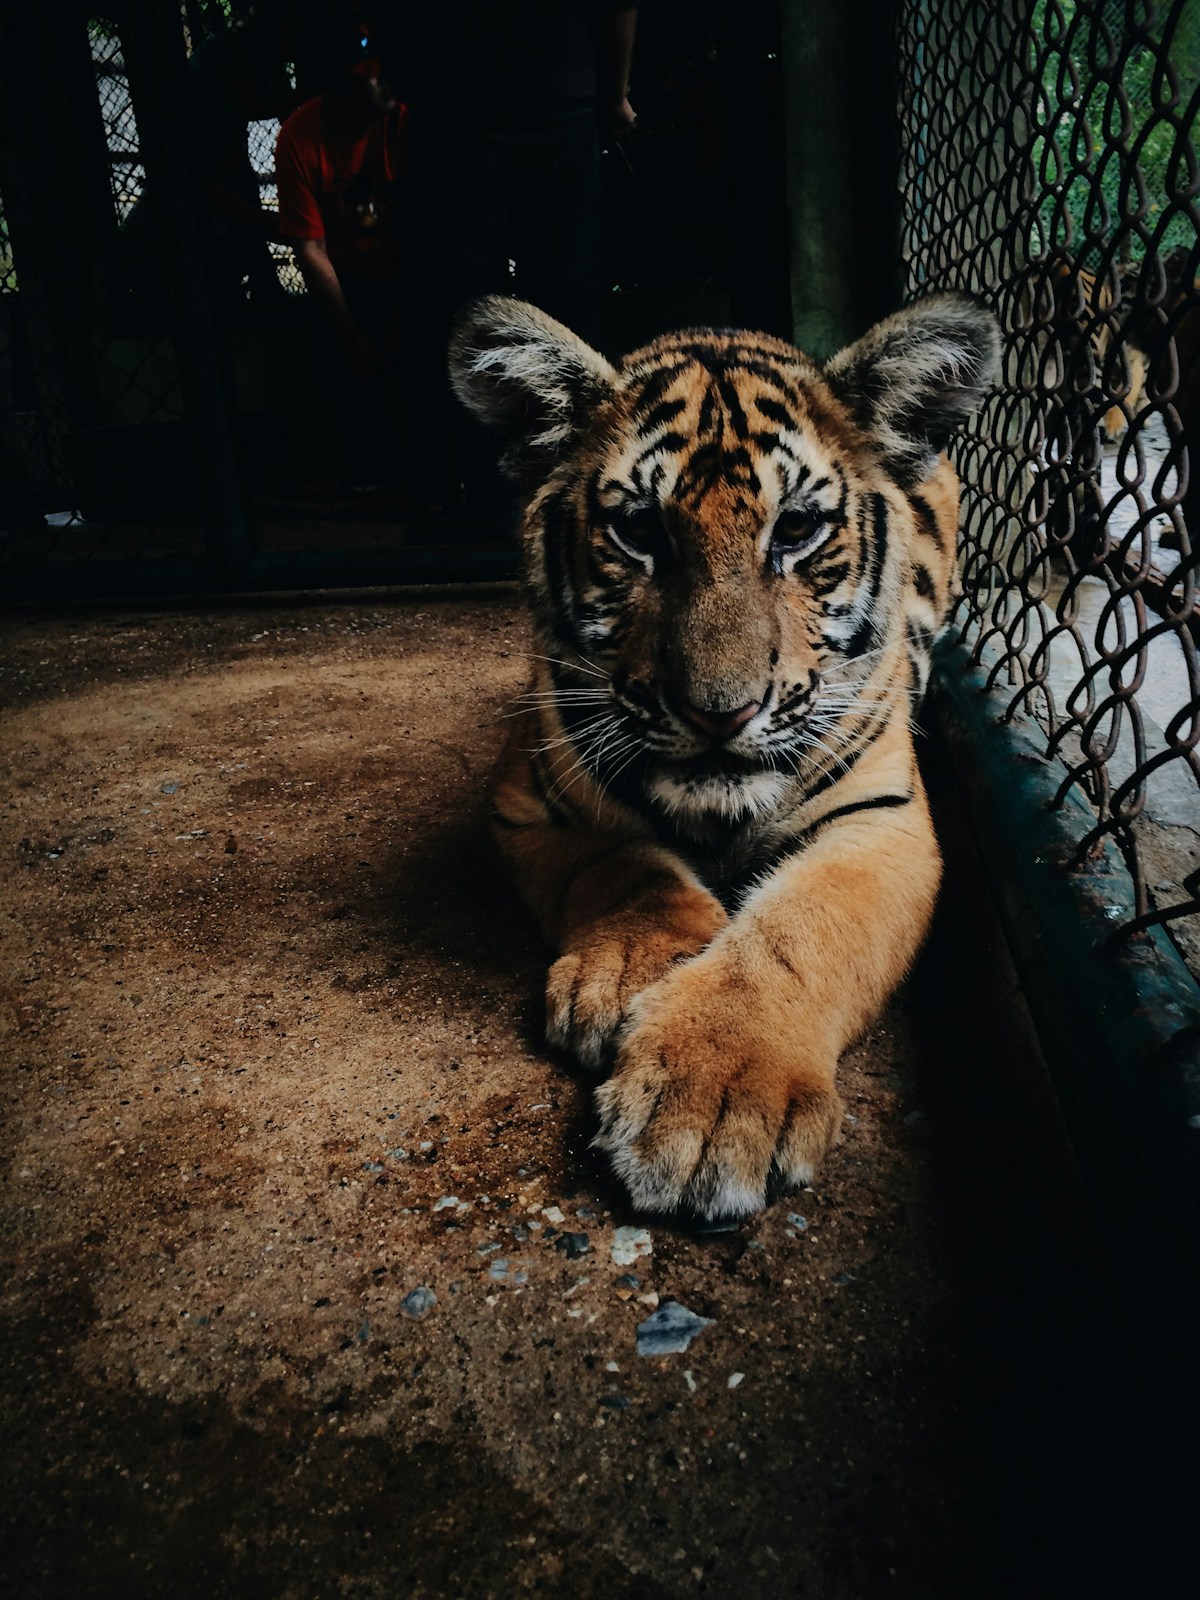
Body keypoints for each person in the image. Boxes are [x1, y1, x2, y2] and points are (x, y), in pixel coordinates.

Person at [395, 2, 639, 520]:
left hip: (476, 111)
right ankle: (537, 492)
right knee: (531, 309)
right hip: (520, 111)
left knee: (485, 309)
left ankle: (504, 494)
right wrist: (615, 97)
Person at [274, 20, 411, 490]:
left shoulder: (408, 119)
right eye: (370, 74)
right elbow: (310, 249)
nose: (386, 80)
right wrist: (353, 338)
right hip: (349, 282)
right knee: (331, 351)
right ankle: (377, 478)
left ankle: (435, 472)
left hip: (408, 275)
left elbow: (432, 237)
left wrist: (399, 324)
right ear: (340, 87)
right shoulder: (298, 136)